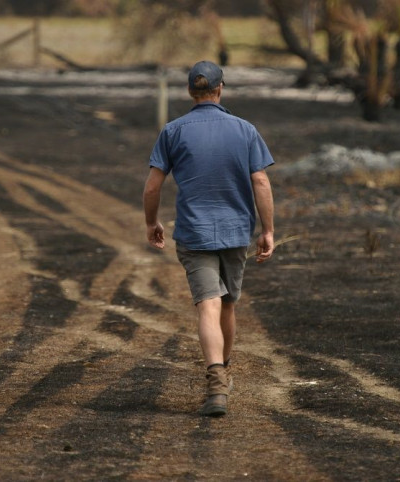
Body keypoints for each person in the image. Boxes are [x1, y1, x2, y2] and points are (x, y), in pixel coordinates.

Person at [143, 60, 275, 417]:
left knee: (208, 305)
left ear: (190, 92)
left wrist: (152, 222)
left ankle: (216, 383)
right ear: (220, 89)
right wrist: (267, 230)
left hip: (195, 232)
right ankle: (224, 371)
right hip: (235, 232)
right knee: (227, 304)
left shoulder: (173, 131)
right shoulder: (245, 130)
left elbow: (153, 185)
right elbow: (261, 182)